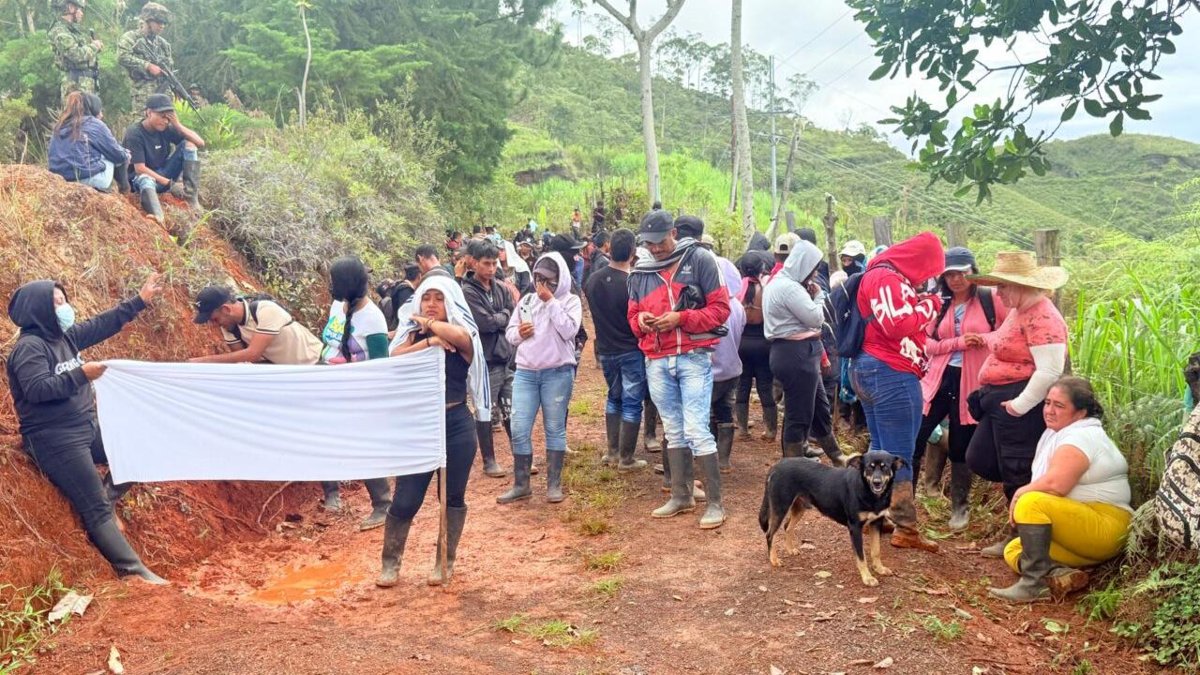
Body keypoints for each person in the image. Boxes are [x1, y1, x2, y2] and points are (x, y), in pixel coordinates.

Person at [7, 273, 167, 584]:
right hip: (55, 438)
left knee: (139, 448)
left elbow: (100, 325)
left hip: (85, 427)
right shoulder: (29, 347)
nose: (63, 306)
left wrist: (140, 301)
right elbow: (38, 389)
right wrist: (82, 374)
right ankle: (134, 572)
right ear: (37, 309)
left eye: (63, 299)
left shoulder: (64, 336)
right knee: (94, 509)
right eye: (55, 303)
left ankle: (109, 497)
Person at [379, 276, 489, 587]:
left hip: (456, 424)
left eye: (438, 299)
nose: (431, 304)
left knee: (451, 497)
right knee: (406, 499)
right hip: (420, 426)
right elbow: (393, 356)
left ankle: (445, 561)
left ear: (450, 302)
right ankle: (390, 563)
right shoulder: (410, 337)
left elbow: (461, 338)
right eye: (426, 298)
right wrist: (428, 340)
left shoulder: (462, 335)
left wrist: (434, 327)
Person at [628, 210, 730, 529]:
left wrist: (681, 319)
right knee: (672, 429)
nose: (655, 248)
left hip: (692, 355)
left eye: (660, 242)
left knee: (696, 428)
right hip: (657, 357)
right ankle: (681, 494)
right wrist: (642, 322)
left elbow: (721, 310)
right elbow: (632, 317)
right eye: (649, 243)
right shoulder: (641, 270)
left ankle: (715, 503)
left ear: (673, 233)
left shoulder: (699, 259)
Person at [989, 377, 1132, 602]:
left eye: (1059, 405)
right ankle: (1059, 575)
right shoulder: (1061, 433)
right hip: (1081, 528)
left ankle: (1033, 585)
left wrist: (1019, 493)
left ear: (1080, 413)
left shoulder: (1080, 437)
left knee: (1030, 501)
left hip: (1104, 526)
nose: (1049, 410)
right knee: (1015, 549)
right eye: (1047, 403)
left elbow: (1056, 486)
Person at [965, 251, 1069, 556]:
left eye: (1003, 286)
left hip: (1020, 401)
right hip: (1002, 400)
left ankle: (1023, 539)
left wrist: (1020, 405)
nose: (998, 293)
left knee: (1017, 468)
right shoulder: (1021, 310)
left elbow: (1050, 370)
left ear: (1021, 285)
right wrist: (985, 339)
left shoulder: (1043, 316)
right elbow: (1007, 341)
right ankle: (1020, 528)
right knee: (982, 457)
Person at [851, 231, 944, 553]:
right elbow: (897, 324)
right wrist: (930, 304)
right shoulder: (887, 279)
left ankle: (876, 516)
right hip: (890, 371)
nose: (930, 277)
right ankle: (905, 527)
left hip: (871, 368)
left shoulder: (879, 276)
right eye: (930, 269)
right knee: (899, 455)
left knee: (879, 448)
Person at [913, 247, 1008, 531]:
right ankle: (904, 501)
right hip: (939, 379)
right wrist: (959, 343)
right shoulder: (939, 304)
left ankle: (960, 507)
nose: (956, 279)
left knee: (961, 443)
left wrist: (983, 339)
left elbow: (1008, 334)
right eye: (950, 274)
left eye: (962, 273)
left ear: (973, 272)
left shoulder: (991, 301)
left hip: (974, 380)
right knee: (917, 433)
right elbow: (926, 343)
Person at [313, 256, 395, 527]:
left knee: (364, 448)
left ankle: (383, 504)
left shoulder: (373, 319)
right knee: (323, 440)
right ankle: (332, 495)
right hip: (329, 387)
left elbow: (380, 365)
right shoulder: (338, 307)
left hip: (359, 393)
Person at [499, 252, 582, 504]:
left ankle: (553, 485)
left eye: (548, 280)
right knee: (520, 427)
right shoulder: (526, 301)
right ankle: (521, 483)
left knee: (554, 427)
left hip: (557, 372)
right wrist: (519, 333)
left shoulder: (569, 301)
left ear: (560, 279)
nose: (542, 285)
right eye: (538, 278)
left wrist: (550, 302)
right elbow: (511, 333)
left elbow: (569, 330)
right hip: (526, 372)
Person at [764, 240, 846, 465]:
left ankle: (837, 456)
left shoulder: (781, 284)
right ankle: (794, 468)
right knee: (798, 414)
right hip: (795, 354)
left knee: (819, 407)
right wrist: (819, 296)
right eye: (813, 268)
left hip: (797, 352)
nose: (814, 274)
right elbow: (816, 318)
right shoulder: (789, 288)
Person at [584, 228, 648, 473]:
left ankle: (612, 451)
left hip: (606, 350)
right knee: (632, 402)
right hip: (631, 349)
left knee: (614, 396)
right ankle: (626, 458)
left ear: (609, 248)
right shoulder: (633, 283)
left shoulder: (593, 280)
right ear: (632, 252)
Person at [462, 242, 514, 479]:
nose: (492, 268)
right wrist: (501, 317)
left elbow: (511, 314)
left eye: (494, 263)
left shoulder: (500, 288)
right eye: (486, 263)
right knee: (485, 409)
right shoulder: (468, 291)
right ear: (474, 262)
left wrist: (500, 317)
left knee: (511, 408)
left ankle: (520, 455)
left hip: (505, 356)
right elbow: (485, 323)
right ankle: (488, 460)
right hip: (484, 359)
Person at [123, 93, 205, 225]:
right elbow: (140, 169)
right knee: (145, 179)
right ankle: (158, 215)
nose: (165, 121)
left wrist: (177, 125)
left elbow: (200, 143)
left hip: (164, 172)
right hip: (142, 180)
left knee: (189, 144)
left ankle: (191, 197)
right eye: (162, 116)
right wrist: (170, 184)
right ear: (149, 113)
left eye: (168, 118)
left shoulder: (165, 128)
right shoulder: (134, 133)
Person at [189, 286, 322, 366]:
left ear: (226, 310)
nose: (214, 325)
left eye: (214, 319)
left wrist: (205, 360)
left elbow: (252, 354)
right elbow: (243, 360)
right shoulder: (229, 327)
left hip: (316, 363)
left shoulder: (265, 310)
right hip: (290, 372)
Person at [48, 91, 130, 193]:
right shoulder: (95, 124)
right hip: (88, 179)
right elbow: (117, 155)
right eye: (100, 111)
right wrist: (126, 154)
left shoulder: (60, 125)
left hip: (59, 180)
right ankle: (125, 192)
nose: (101, 115)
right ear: (93, 109)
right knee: (116, 153)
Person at [710, 257, 747, 473]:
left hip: (711, 371)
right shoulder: (737, 306)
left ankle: (707, 457)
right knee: (725, 412)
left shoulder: (710, 308)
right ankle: (723, 460)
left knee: (705, 415)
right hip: (732, 368)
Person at [735, 247, 775, 441]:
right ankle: (771, 431)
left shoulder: (737, 289)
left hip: (741, 343)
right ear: (761, 269)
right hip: (763, 343)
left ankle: (742, 429)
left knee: (742, 387)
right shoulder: (766, 289)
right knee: (765, 387)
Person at [117, 2, 175, 114]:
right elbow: (122, 56)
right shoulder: (131, 38)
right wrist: (147, 66)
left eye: (164, 23)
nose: (162, 26)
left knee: (166, 126)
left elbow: (170, 66)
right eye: (158, 22)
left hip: (163, 95)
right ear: (147, 21)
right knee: (142, 126)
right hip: (143, 95)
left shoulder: (164, 44)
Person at [48, 0, 101, 103]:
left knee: (89, 118)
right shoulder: (59, 31)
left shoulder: (72, 31)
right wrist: (94, 47)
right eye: (80, 9)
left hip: (85, 83)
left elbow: (84, 54)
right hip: (75, 86)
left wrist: (93, 48)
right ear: (71, 8)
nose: (82, 13)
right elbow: (75, 55)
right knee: (77, 118)